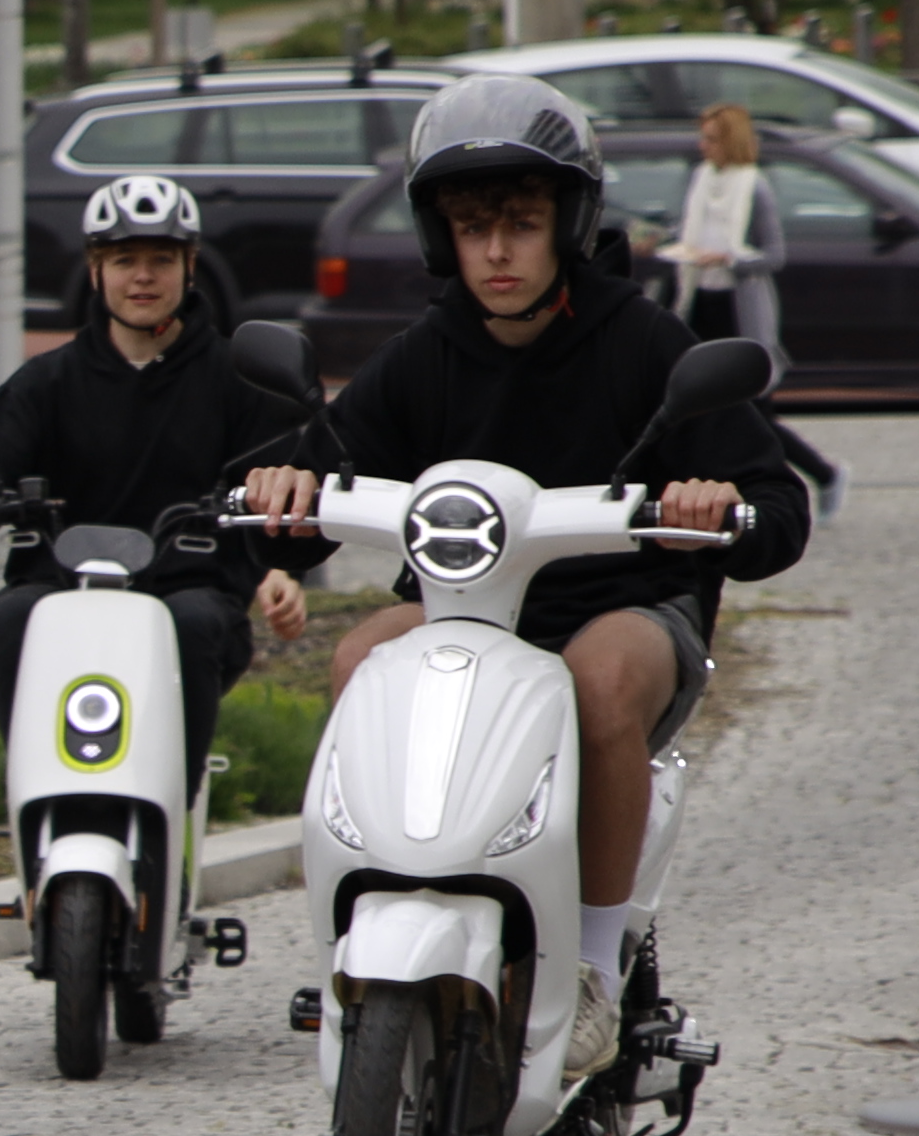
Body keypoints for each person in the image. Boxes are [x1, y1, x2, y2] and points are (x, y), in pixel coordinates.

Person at [245, 70, 812, 1081]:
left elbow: (777, 502)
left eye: (520, 220)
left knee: (592, 689)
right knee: (358, 657)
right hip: (465, 610)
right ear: (441, 237)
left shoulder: (641, 340)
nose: (497, 250)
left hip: (624, 607)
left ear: (568, 220)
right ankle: (367, 917)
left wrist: (712, 505)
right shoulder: (426, 355)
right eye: (472, 226)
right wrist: (284, 487)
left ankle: (590, 971)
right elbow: (319, 472)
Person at [0, 166, 323, 771]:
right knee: (8, 616)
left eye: (161, 259)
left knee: (193, 622)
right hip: (62, 586)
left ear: (190, 266)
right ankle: (31, 787)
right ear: (94, 270)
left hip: (192, 588)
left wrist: (274, 570)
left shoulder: (238, 379)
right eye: (123, 259)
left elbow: (279, 485)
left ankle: (173, 803)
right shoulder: (45, 380)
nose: (142, 276)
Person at [659, 101, 783, 363]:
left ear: (731, 141)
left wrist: (726, 259)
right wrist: (659, 239)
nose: (703, 146)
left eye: (711, 139)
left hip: (735, 303)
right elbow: (688, 232)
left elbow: (775, 255)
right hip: (697, 295)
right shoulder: (700, 178)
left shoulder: (754, 186)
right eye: (703, 138)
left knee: (738, 381)